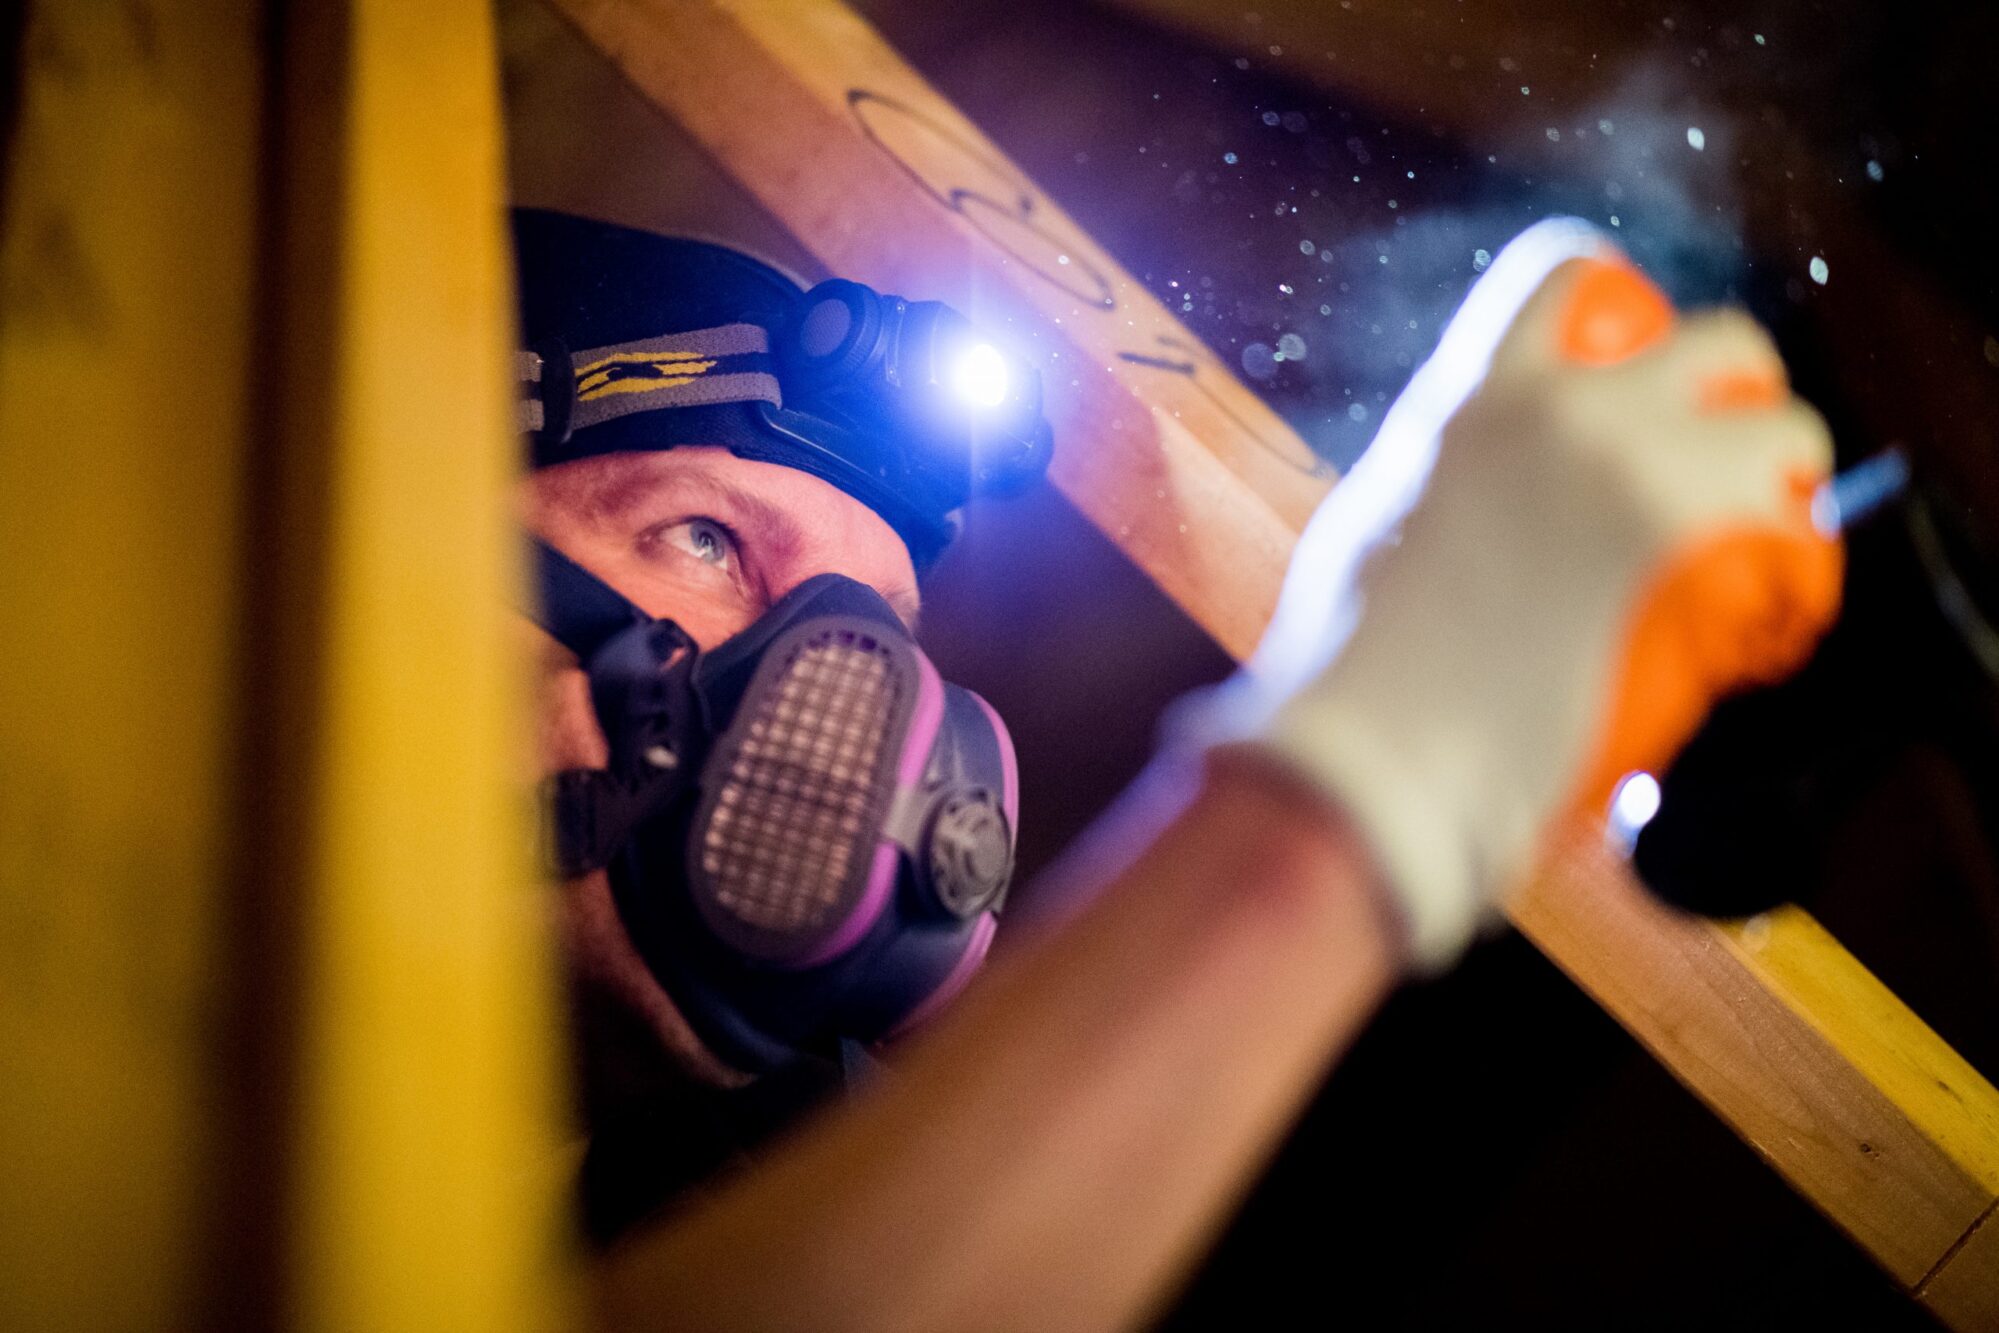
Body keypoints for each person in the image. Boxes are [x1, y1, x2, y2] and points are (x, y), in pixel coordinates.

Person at [512, 209, 1838, 1329]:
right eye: (705, 541)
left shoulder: (748, 1211)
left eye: (881, 644)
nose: (829, 702)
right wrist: (1372, 781)